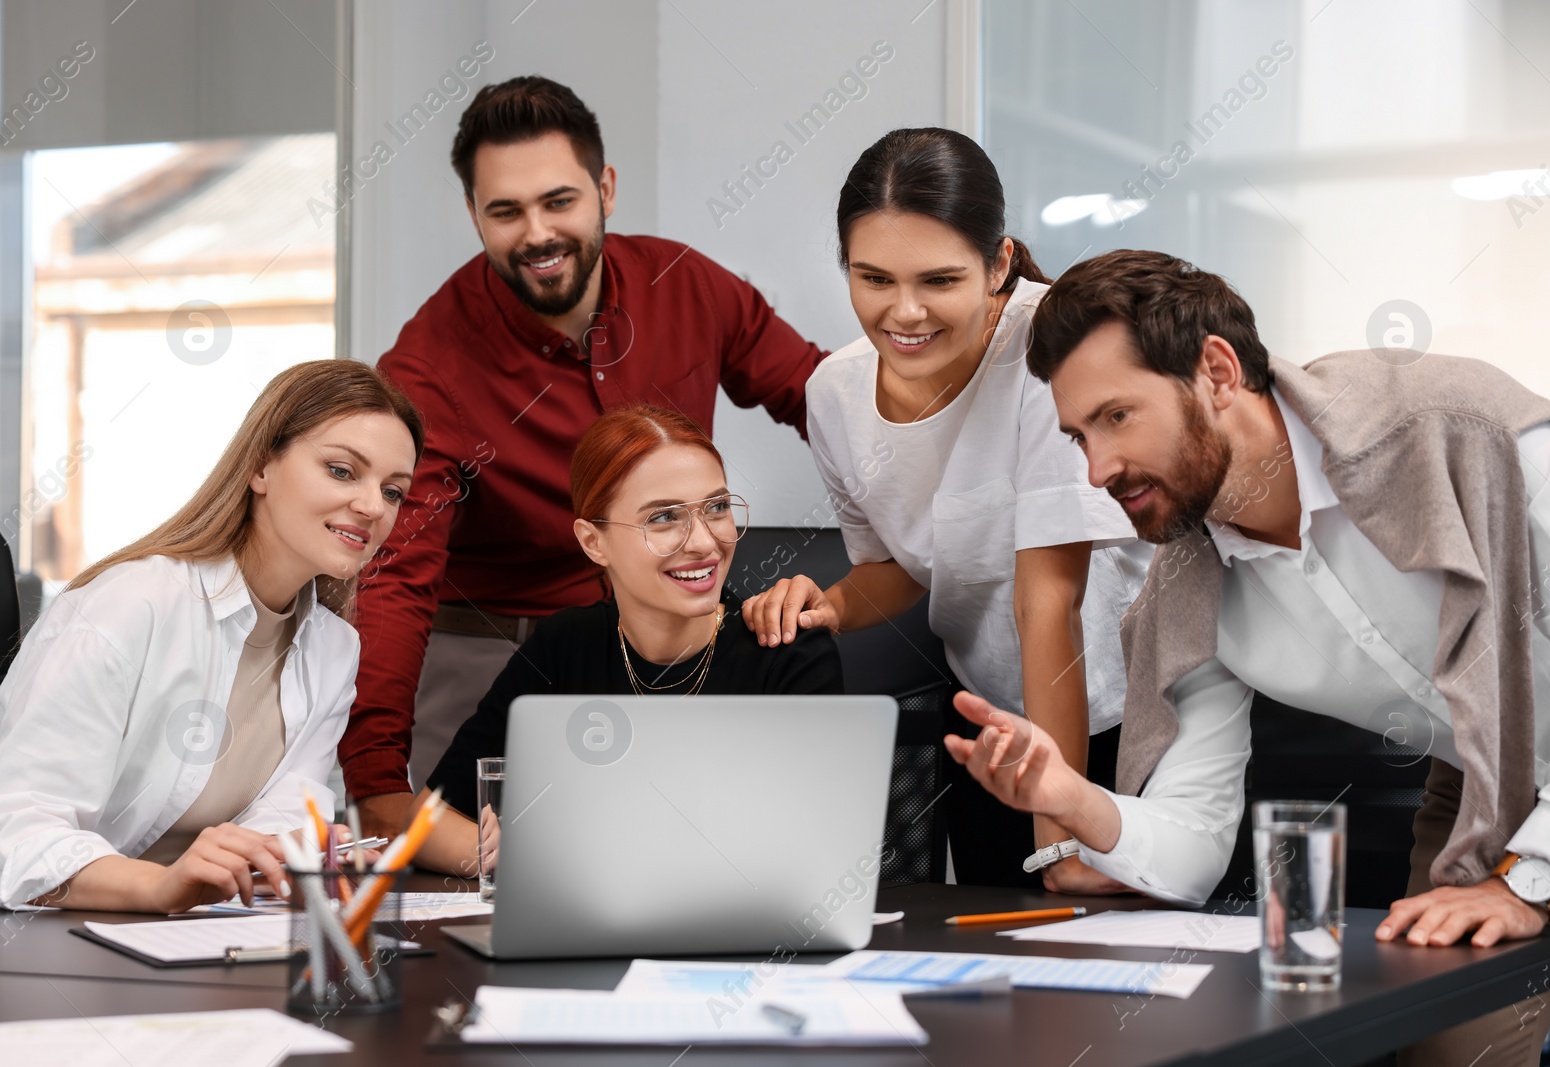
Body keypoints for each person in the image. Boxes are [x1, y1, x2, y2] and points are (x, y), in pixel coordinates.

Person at [947, 248, 1550, 1066]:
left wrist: (1533, 878)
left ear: (1216, 371)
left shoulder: (1461, 429)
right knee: (1438, 1051)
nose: (1097, 468)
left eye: (1117, 416)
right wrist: (1071, 797)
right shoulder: (1186, 586)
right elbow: (1194, 834)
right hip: (1487, 779)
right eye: (1080, 435)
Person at [342, 76, 831, 840]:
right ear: (473, 214)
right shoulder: (430, 365)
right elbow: (395, 574)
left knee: (676, 854)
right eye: (505, 211)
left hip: (656, 632)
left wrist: (908, 532)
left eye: (558, 200)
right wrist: (376, 784)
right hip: (492, 642)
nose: (536, 232)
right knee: (482, 870)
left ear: (605, 188)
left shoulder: (686, 285)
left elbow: (821, 399)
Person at [740, 128, 1148, 890]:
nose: (905, 312)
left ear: (998, 265)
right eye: (874, 278)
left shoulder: (1053, 344)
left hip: (1127, 715)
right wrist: (826, 605)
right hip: (990, 719)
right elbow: (895, 566)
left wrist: (1059, 835)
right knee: (1003, 970)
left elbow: (1048, 600)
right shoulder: (834, 392)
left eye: (938, 280)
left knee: (1125, 971)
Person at [0, 361, 422, 913]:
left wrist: (294, 853)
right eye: (342, 471)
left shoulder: (334, 650)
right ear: (261, 467)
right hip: (59, 943)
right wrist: (159, 886)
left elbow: (285, 820)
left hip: (204, 938)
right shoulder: (132, 604)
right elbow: (16, 834)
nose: (372, 507)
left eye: (393, 491)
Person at [412, 405, 842, 875]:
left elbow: (815, 853)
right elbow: (429, 819)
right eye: (663, 518)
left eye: (717, 508)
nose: (703, 542)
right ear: (593, 542)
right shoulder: (563, 646)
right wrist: (515, 863)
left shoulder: (786, 648)